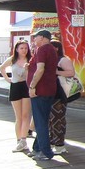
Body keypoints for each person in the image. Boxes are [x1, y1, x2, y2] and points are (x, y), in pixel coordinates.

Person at [27, 29, 58, 161]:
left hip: (41, 89)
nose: (34, 39)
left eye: (36, 37)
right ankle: (37, 148)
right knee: (42, 119)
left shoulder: (42, 49)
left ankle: (46, 151)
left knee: (40, 121)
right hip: (49, 88)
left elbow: (40, 69)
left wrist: (32, 86)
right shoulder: (51, 49)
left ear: (43, 38)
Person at [0, 40, 32, 152]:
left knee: (26, 115)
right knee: (18, 116)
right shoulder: (12, 59)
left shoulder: (30, 59)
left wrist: (28, 69)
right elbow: (2, 68)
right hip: (15, 86)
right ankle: (19, 140)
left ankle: (24, 139)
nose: (24, 50)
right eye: (22, 48)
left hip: (26, 86)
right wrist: (7, 79)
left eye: (26, 48)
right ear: (17, 49)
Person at [50, 40, 75, 155]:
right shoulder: (50, 59)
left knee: (58, 118)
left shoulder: (63, 60)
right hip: (50, 93)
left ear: (56, 48)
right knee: (50, 119)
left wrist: (56, 72)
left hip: (60, 93)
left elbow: (71, 73)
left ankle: (59, 144)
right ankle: (52, 141)